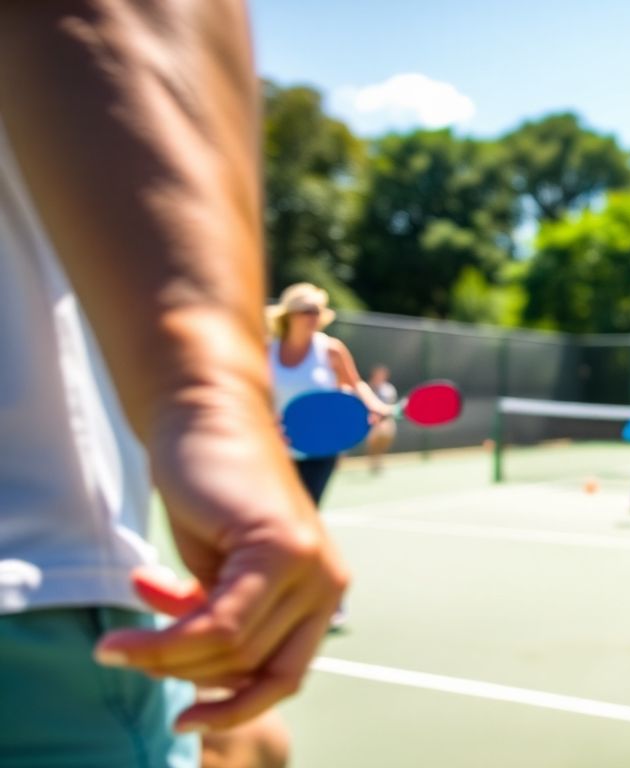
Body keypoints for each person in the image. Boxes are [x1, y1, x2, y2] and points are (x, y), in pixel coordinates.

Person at [0, 2, 347, 766]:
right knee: (256, 744)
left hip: (37, 592)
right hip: (29, 598)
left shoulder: (326, 353)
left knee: (255, 742)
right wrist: (208, 400)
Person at [267, 282, 392, 505]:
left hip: (320, 448)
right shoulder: (267, 351)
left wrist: (374, 405)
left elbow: (355, 384)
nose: (314, 316)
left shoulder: (331, 350)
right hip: (273, 450)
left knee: (306, 513)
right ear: (289, 315)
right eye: (307, 311)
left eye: (317, 311)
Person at [364, 365, 400, 474]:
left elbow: (391, 406)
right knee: (374, 440)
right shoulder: (367, 388)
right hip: (372, 420)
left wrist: (386, 416)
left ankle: (379, 459)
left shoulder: (389, 389)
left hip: (386, 420)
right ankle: (373, 461)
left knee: (387, 437)